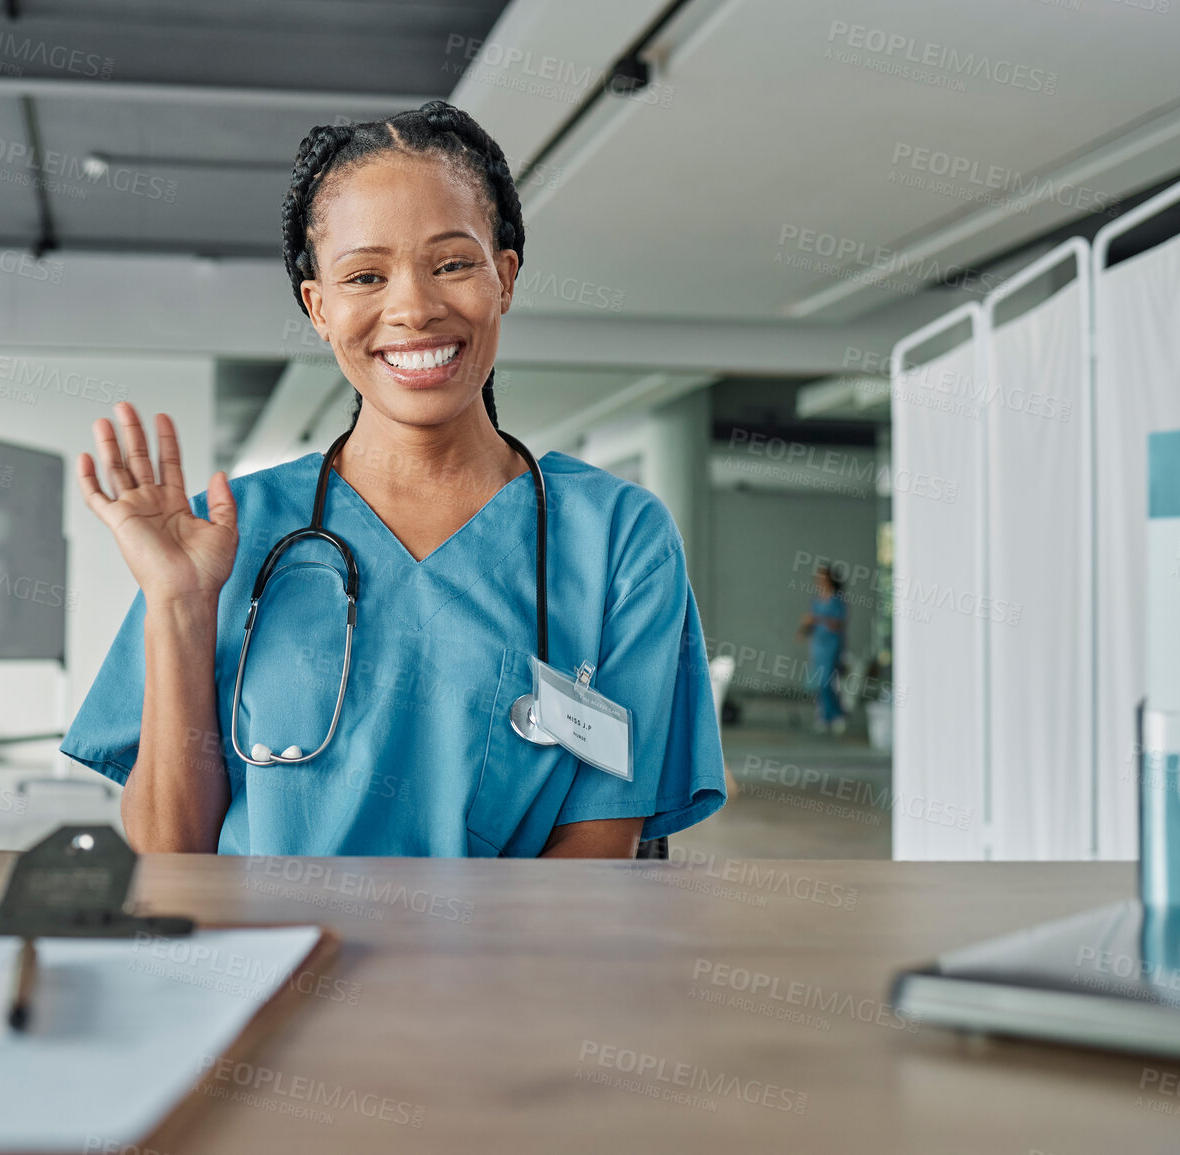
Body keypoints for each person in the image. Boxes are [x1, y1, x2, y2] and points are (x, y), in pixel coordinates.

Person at [59, 101, 725, 857]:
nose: (412, 307)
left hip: (502, 973)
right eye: (365, 275)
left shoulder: (618, 537)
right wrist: (179, 605)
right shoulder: (228, 530)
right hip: (265, 965)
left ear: (503, 277)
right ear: (318, 307)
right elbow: (168, 855)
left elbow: (594, 860)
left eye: (451, 264)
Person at [798, 564, 848, 735]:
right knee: (818, 681)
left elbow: (838, 624)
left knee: (827, 680)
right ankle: (824, 715)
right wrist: (804, 629)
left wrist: (818, 619)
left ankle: (837, 714)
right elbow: (811, 624)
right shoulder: (815, 600)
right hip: (817, 645)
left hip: (831, 645)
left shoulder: (836, 600)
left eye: (823, 578)